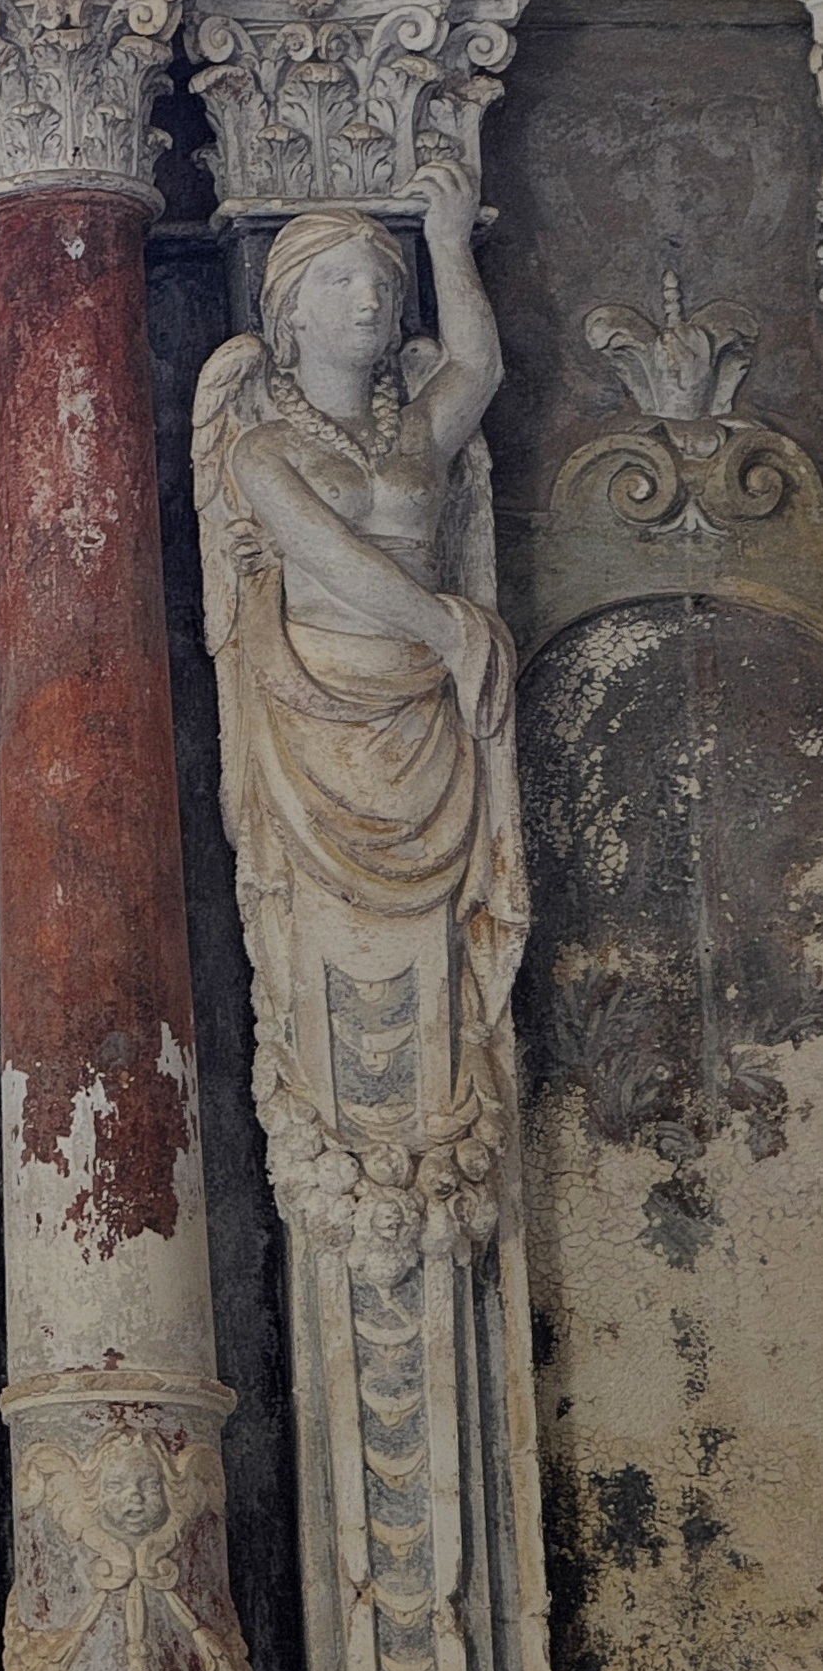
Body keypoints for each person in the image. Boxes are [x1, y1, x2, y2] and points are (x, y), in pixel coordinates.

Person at [194, 188, 525, 1145]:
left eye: (382, 283)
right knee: (321, 924)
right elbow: (335, 558)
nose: (369, 300)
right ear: (288, 311)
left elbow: (480, 362)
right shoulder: (261, 446)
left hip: (426, 707)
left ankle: (435, 1114)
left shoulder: (420, 429)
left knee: (438, 946)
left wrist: (449, 241)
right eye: (339, 282)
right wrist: (452, 629)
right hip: (323, 704)